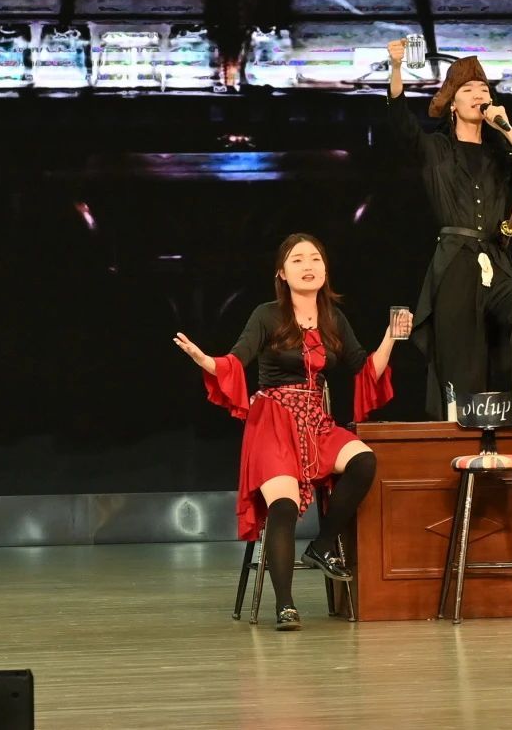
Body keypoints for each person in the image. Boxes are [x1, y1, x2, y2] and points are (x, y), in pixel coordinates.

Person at [173, 233, 407, 631]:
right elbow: (237, 360)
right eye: (297, 260)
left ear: (325, 269)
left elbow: (363, 368)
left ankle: (322, 545)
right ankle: (286, 605)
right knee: (282, 506)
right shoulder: (267, 315)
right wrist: (205, 360)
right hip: (274, 421)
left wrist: (391, 337)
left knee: (364, 461)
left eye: (314, 258)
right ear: (282, 273)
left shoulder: (333, 317)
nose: (308, 265)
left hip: (316, 422)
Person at [384, 37, 512, 421]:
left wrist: (508, 131)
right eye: (468, 90)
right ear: (452, 103)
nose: (478, 95)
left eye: (483, 89)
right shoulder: (437, 150)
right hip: (455, 262)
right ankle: (456, 411)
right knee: (461, 348)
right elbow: (401, 124)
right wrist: (396, 68)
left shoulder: (499, 154)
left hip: (494, 259)